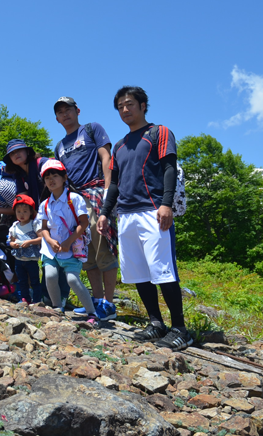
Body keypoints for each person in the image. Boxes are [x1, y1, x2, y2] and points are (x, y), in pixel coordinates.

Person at [97, 86, 191, 351]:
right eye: (120, 107)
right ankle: (156, 323)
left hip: (153, 210)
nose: (125, 110)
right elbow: (114, 184)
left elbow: (169, 168)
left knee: (163, 270)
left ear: (142, 105)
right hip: (126, 214)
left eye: (129, 104)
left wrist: (166, 204)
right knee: (138, 272)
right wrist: (105, 212)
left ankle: (180, 328)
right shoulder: (119, 145)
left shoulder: (159, 132)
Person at [53, 96, 119, 320]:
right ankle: (97, 301)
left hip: (96, 192)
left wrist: (109, 192)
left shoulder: (92, 129)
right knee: (86, 252)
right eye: (60, 112)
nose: (65, 114)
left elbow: (106, 158)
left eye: (68, 110)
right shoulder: (59, 146)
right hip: (75, 201)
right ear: (56, 118)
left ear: (77, 110)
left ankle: (109, 304)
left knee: (103, 247)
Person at [37, 160, 99, 325]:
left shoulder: (75, 198)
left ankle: (92, 313)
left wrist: (68, 241)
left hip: (71, 249)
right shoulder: (44, 204)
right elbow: (43, 228)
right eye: (47, 177)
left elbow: (84, 223)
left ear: (64, 177)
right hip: (50, 250)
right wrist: (50, 241)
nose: (51, 180)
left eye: (55, 175)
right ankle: (58, 308)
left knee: (72, 279)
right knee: (50, 275)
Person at [8, 194, 43, 304]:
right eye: (19, 212)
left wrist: (30, 242)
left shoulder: (34, 224)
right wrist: (13, 245)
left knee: (34, 280)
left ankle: (37, 300)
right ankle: (25, 298)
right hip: (19, 259)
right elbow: (11, 240)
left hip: (31, 259)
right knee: (22, 280)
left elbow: (41, 238)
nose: (21, 214)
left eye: (25, 211)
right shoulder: (14, 226)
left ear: (31, 212)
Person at [3, 139, 45, 208]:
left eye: (19, 150)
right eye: (12, 153)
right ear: (10, 159)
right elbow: (24, 200)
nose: (16, 154)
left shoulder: (41, 164)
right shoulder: (18, 175)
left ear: (28, 152)